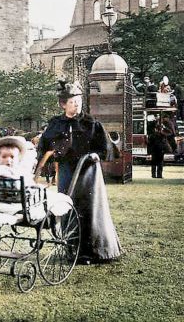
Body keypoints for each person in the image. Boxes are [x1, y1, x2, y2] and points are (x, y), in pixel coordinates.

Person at [39, 80, 121, 264]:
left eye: (79, 101)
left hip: (88, 172)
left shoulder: (90, 123)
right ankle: (71, 249)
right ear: (63, 104)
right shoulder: (55, 123)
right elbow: (45, 146)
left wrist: (96, 155)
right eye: (72, 102)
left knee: (88, 208)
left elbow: (105, 147)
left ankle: (93, 252)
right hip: (67, 171)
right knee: (67, 205)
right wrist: (50, 157)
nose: (76, 105)